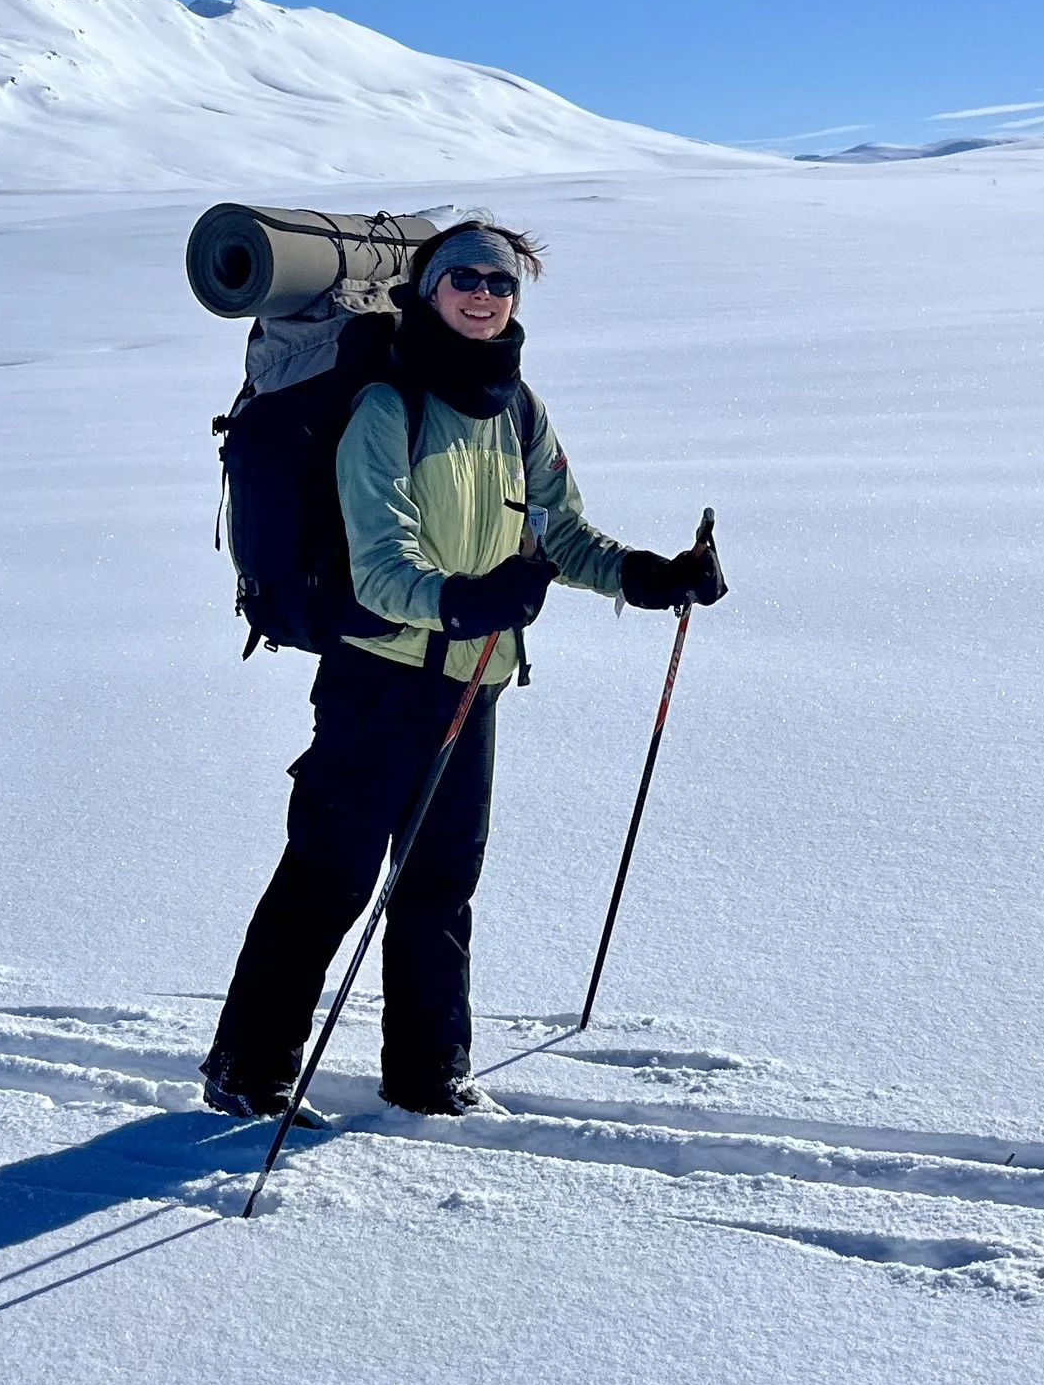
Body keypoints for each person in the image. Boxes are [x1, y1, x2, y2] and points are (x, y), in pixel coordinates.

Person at [201, 218, 725, 1120]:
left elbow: (560, 531)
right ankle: (246, 1069)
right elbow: (381, 566)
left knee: (441, 884)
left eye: (501, 282)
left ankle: (428, 1073)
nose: (485, 295)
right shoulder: (386, 408)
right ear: (431, 290)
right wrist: (468, 600)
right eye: (465, 279)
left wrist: (649, 575)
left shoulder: (517, 406)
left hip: (473, 681)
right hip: (379, 681)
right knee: (330, 875)